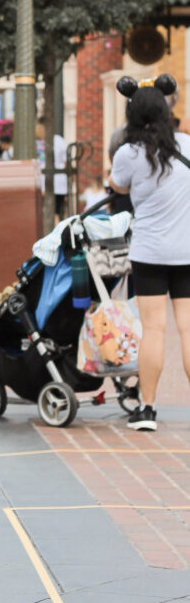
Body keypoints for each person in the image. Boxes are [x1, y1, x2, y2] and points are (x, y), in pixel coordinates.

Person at [109, 76, 190, 432]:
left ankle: (147, 409)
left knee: (153, 331)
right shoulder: (186, 145)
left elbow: (117, 185)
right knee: (188, 330)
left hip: (150, 252)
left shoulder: (128, 153)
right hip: (187, 250)